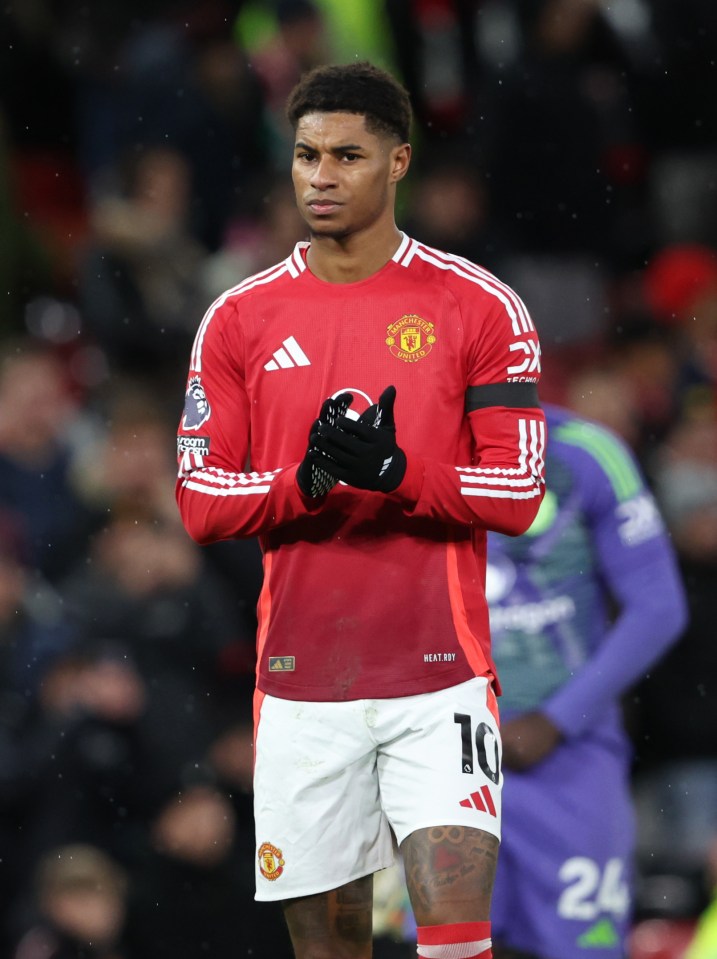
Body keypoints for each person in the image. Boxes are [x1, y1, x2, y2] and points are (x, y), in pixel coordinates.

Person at [175, 61, 546, 959]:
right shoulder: (239, 319)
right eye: (305, 156)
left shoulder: (478, 306)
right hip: (304, 688)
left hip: (438, 681)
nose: (320, 176)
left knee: (456, 943)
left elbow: (518, 491)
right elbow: (198, 500)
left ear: (398, 162)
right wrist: (300, 485)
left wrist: (398, 472)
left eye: (346, 155)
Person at [485, 403, 688, 958]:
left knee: (583, 950)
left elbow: (659, 607)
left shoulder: (587, 451)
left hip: (569, 760)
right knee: (446, 948)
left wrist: (556, 720)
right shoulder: (398, 456)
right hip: (442, 763)